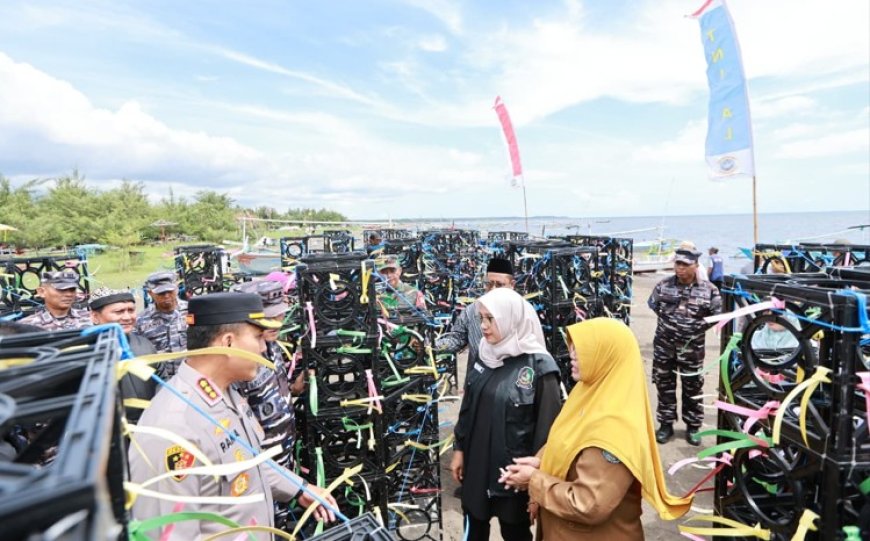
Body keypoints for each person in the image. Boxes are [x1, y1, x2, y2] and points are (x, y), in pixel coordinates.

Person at [128, 292, 337, 539]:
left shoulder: (225, 393)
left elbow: (248, 461)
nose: (264, 348)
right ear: (228, 342)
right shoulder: (174, 428)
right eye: (258, 337)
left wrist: (300, 489)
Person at [500, 318, 692, 540]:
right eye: (573, 347)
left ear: (607, 357)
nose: (572, 355)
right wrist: (542, 461)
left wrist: (535, 480)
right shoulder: (588, 393)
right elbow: (567, 438)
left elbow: (587, 504)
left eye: (582, 349)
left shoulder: (614, 429)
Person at [450, 287, 561, 541]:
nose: (484, 326)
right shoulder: (485, 354)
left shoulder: (540, 368)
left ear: (511, 318)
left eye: (491, 319)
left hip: (514, 475)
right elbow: (468, 407)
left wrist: (538, 484)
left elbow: (548, 434)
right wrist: (460, 449)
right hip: (478, 465)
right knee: (473, 525)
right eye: (481, 318)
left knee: (515, 531)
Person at [232, 280, 303, 528]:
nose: (276, 323)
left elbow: (276, 392)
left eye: (279, 315)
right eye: (268, 317)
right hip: (260, 467)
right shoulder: (237, 361)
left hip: (283, 457)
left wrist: (297, 385)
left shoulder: (272, 346)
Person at [648, 247, 722, 446]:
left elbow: (716, 315)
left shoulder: (709, 290)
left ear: (696, 266)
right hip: (664, 346)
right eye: (678, 263)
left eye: (685, 265)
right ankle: (666, 424)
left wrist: (693, 328)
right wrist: (673, 325)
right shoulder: (663, 285)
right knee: (664, 384)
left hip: (692, 349)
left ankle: (693, 426)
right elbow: (654, 305)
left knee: (693, 386)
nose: (680, 268)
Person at [436, 258, 516, 377]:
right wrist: (434, 345)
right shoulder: (472, 310)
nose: (493, 289)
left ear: (512, 285)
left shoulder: (522, 314)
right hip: (478, 379)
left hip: (511, 380)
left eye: (500, 285)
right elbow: (457, 338)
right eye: (489, 284)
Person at [89, 287, 157, 424]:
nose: (127, 317)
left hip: (150, 423)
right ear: (95, 317)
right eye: (119, 312)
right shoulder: (86, 352)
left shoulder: (145, 345)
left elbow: (161, 380)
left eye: (131, 310)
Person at [135, 271, 188, 378]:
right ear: (150, 293)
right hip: (160, 379)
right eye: (161, 293)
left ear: (177, 288)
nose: (166, 296)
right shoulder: (140, 321)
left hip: (190, 376)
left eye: (170, 291)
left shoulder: (192, 310)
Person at [20, 270, 92, 330]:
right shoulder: (27, 326)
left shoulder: (91, 318)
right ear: (42, 292)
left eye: (72, 289)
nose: (69, 294)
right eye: (61, 290)